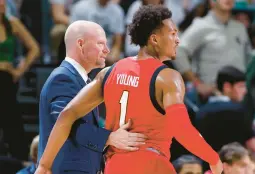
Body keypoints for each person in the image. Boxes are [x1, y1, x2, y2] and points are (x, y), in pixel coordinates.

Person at [35, 5, 223, 174]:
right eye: (173, 33)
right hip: (152, 164)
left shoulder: (109, 72)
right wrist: (213, 158)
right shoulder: (167, 78)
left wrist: (44, 165)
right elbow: (181, 128)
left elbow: (67, 114)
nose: (178, 40)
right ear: (155, 39)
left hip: (114, 166)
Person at [37, 20, 147, 174]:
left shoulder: (81, 79)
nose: (107, 50)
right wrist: (110, 137)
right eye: (101, 44)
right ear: (81, 44)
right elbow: (65, 125)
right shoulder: (63, 78)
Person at [0, 0, 39, 160]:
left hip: (6, 79)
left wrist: (19, 70)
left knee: (6, 90)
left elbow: (34, 48)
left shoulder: (12, 23)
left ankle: (19, 154)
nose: (2, 3)